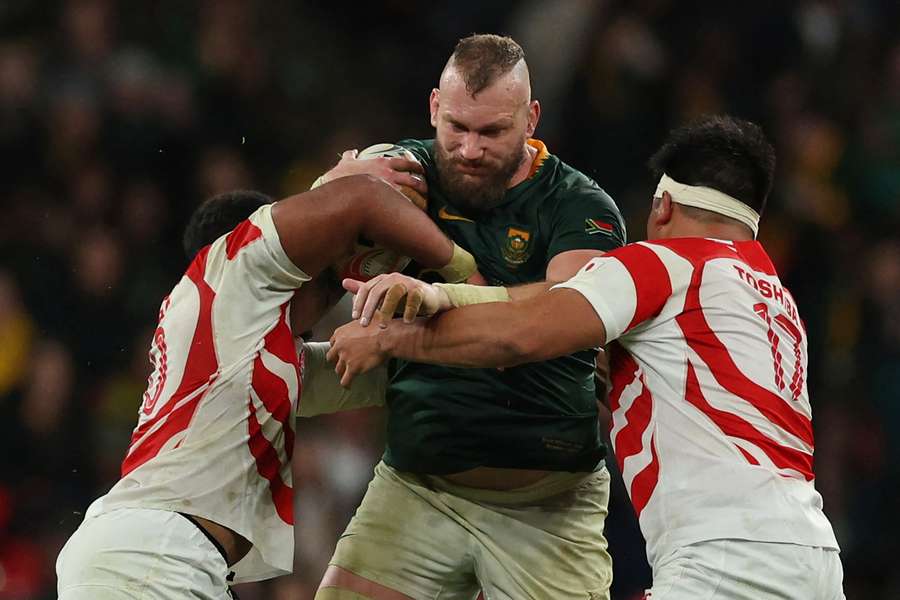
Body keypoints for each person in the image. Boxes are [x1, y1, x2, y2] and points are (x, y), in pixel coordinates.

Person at [329, 115, 845, 599]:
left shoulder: (661, 263)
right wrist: (448, 298)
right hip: (815, 555)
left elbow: (524, 333)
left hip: (724, 561)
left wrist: (391, 338)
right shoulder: (775, 302)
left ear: (661, 207)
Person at [55, 177, 476, 600]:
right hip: (154, 557)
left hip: (166, 558)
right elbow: (360, 198)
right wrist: (468, 272)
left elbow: (388, 371)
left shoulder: (247, 352)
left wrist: (459, 312)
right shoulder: (229, 269)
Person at [314, 34, 626, 600]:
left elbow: (553, 321)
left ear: (530, 119)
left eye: (492, 132)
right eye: (456, 126)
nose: (469, 148)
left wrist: (401, 328)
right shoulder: (406, 172)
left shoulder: (582, 207)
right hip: (416, 488)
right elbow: (302, 224)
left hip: (545, 509)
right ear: (435, 106)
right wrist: (338, 185)